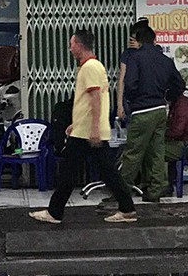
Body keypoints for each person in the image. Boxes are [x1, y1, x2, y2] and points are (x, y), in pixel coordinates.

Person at [29, 29, 137, 224]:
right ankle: (127, 208)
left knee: (70, 173)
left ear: (79, 45)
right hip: (84, 130)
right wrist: (76, 124)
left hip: (87, 133)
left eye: (71, 44)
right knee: (106, 172)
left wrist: (93, 128)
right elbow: (87, 102)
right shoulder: (92, 67)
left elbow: (96, 99)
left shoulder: (90, 68)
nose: (70, 49)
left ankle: (54, 212)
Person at [118, 25, 184, 202]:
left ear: (138, 41)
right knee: (157, 151)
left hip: (142, 110)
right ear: (154, 40)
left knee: (133, 152)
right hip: (160, 110)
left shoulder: (136, 58)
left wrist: (131, 101)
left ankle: (122, 191)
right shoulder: (166, 60)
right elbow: (180, 85)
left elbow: (130, 84)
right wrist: (167, 97)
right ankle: (156, 190)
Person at [116, 19, 150, 122]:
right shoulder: (127, 53)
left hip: (149, 101)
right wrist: (120, 104)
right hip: (131, 101)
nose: (132, 41)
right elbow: (121, 79)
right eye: (132, 38)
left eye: (136, 38)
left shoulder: (152, 52)